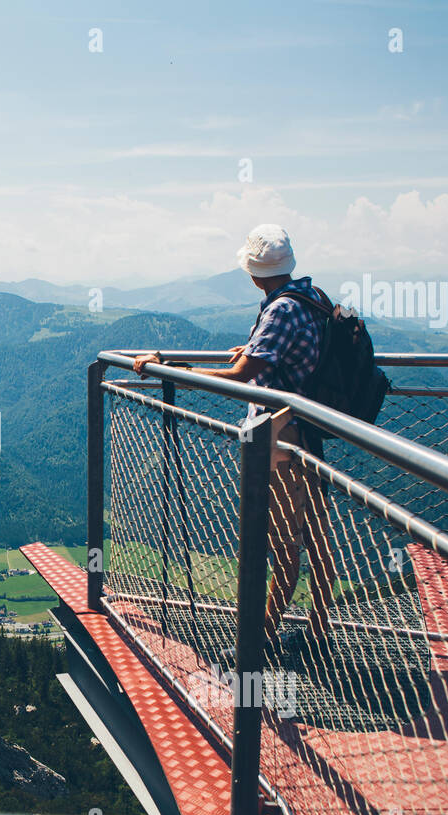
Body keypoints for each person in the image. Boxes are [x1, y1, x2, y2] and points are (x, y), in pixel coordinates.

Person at [134, 224, 336, 661]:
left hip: (279, 438)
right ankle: (320, 631)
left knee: (280, 542)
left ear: (253, 271)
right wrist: (248, 352)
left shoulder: (280, 310)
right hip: (311, 432)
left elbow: (241, 378)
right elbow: (273, 359)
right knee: (316, 537)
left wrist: (170, 370)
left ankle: (258, 641)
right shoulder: (312, 298)